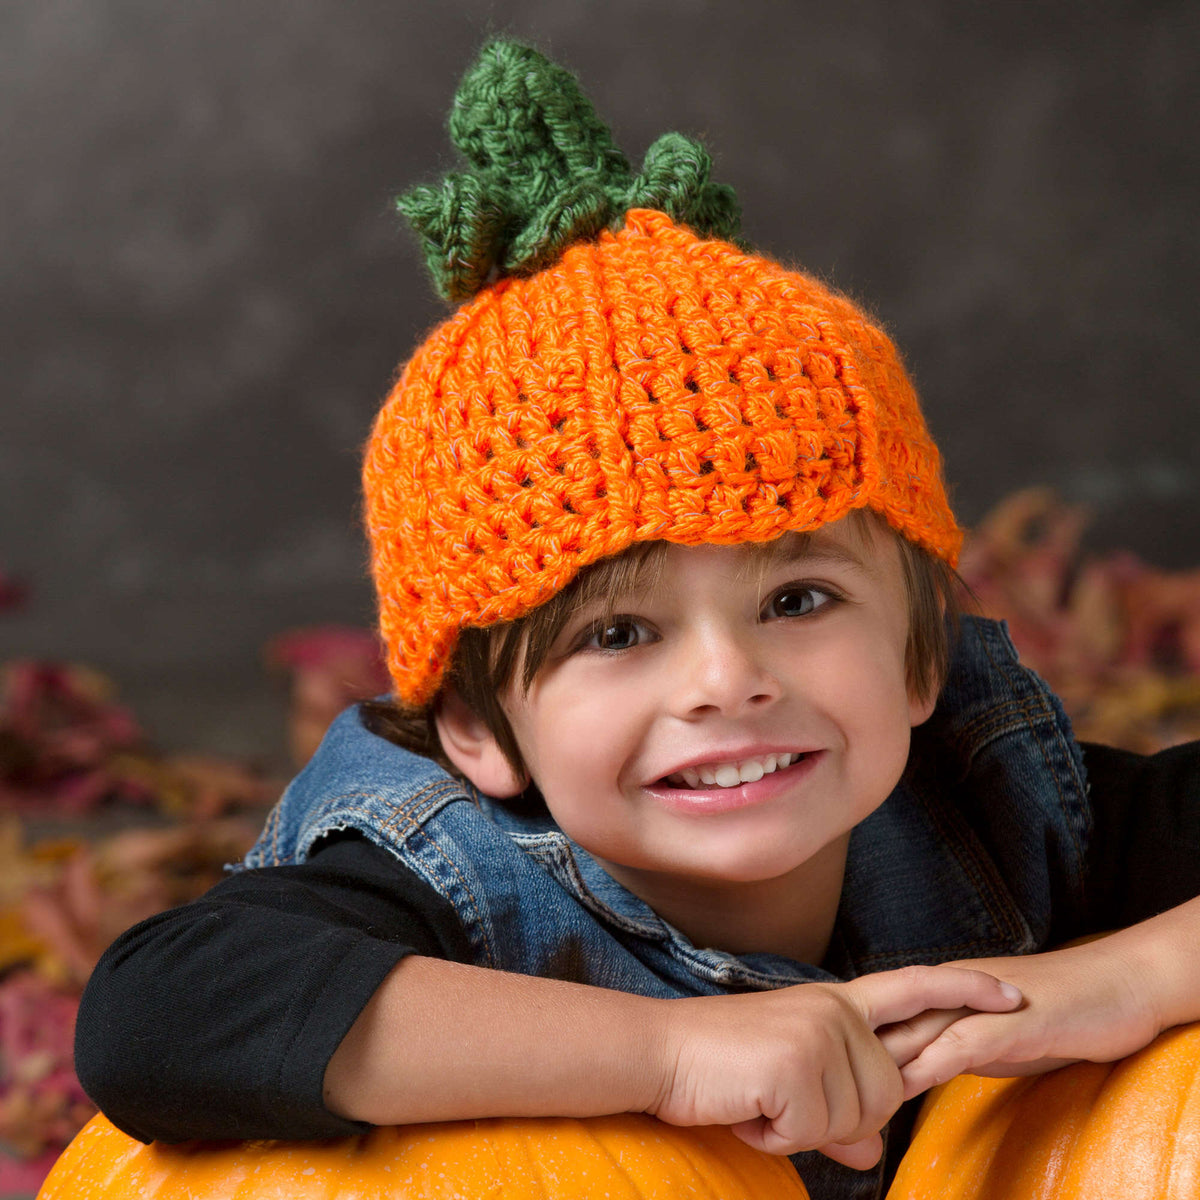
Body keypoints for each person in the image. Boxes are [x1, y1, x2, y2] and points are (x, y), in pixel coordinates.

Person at [74, 41, 1200, 1199]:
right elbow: (155, 1012)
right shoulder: (449, 874)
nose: (727, 679)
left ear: (919, 657)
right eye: (617, 635)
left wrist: (1133, 977)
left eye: (797, 599)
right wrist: (668, 1054)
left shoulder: (996, 805)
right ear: (476, 727)